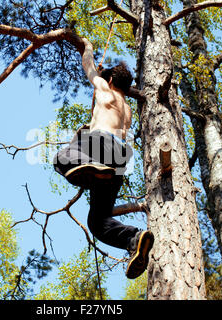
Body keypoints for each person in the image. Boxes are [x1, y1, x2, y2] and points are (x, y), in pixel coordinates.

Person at [53, 38, 154, 279]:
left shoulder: (104, 89)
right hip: (119, 161)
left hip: (101, 144)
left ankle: (91, 167)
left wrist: (86, 46)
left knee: (61, 158)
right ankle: (134, 238)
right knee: (98, 222)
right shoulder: (127, 110)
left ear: (110, 81)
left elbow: (88, 66)